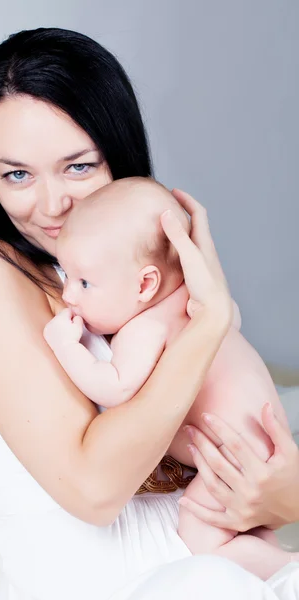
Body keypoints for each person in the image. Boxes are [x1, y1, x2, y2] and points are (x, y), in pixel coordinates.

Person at [0, 27, 299, 600]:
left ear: (118, 153)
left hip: (218, 562)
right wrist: (205, 323)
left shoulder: (126, 277)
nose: (53, 204)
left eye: (79, 167)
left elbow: (231, 460)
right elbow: (94, 489)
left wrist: (288, 490)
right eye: (17, 175)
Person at [43, 175, 296, 580]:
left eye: (84, 282)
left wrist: (64, 345)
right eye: (66, 275)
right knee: (250, 535)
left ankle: (289, 569)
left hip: (228, 462)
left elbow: (114, 385)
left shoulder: (145, 327)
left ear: (146, 284)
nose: (69, 294)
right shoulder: (203, 304)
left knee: (201, 540)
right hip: (261, 450)